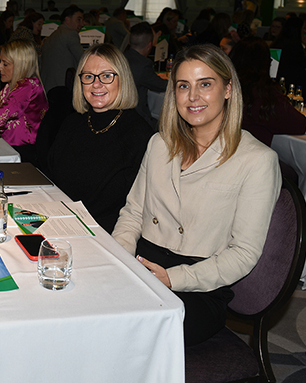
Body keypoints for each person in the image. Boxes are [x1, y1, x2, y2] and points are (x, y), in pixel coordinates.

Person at [111, 44, 281, 347]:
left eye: (205, 84)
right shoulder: (159, 144)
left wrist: (172, 279)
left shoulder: (256, 160)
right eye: (183, 86)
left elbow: (243, 254)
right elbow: (133, 213)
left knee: (125, 333)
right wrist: (120, 258)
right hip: (141, 263)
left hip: (199, 286)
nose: (193, 97)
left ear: (228, 89)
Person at [46, 43, 153, 233]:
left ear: (123, 79)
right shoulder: (72, 123)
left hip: (106, 235)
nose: (96, 84)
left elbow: (140, 209)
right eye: (88, 76)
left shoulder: (139, 134)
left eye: (106, 76)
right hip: (59, 223)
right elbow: (52, 178)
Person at [229, 39, 306, 146]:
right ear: (266, 64)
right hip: (250, 157)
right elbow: (299, 124)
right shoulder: (262, 94)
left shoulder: (223, 87)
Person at [0, 40, 49, 160]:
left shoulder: (26, 86)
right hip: (11, 147)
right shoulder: (12, 85)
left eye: (5, 64)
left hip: (23, 154)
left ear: (20, 65)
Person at [125, 22, 168, 129]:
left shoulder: (120, 57)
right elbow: (162, 86)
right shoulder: (143, 65)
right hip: (137, 116)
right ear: (149, 45)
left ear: (129, 42)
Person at [40, 5, 84, 94]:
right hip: (63, 87)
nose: (81, 24)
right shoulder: (71, 34)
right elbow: (82, 60)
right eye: (78, 19)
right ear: (67, 19)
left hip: (48, 86)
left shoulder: (52, 36)